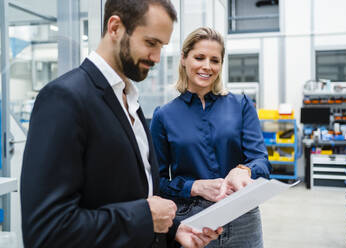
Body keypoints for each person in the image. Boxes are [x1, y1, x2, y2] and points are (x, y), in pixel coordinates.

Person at [20, 1, 222, 247]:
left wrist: (173, 231)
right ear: (115, 28)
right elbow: (46, 231)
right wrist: (146, 218)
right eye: (150, 43)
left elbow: (132, 195)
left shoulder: (130, 100)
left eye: (162, 46)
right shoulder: (64, 98)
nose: (157, 57)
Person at [150, 27, 272, 248]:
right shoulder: (164, 116)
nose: (207, 66)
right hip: (193, 222)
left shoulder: (241, 105)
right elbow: (156, 183)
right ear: (184, 59)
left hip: (243, 217)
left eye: (215, 60)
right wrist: (194, 186)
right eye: (199, 57)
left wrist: (243, 170)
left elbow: (262, 162)